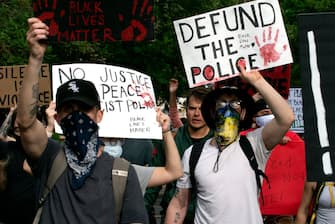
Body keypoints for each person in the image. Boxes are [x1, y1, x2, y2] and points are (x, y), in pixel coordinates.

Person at [17, 17, 148, 223]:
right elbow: (25, 122)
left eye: (84, 109)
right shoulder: (50, 157)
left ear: (99, 115)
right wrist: (35, 58)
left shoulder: (122, 173)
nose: (76, 116)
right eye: (68, 109)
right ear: (58, 118)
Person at [164, 64, 295, 224]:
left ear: (243, 113)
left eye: (235, 104)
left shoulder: (255, 144)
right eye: (221, 103)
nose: (228, 109)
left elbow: (286, 118)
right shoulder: (193, 154)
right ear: (212, 111)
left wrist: (257, 80)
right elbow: (179, 203)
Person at [145, 81, 214, 223]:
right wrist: (141, 212)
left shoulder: (219, 142)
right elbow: (154, 179)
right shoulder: (171, 140)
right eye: (192, 108)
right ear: (186, 109)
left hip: (209, 217)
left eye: (201, 109)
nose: (196, 114)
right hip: (173, 216)